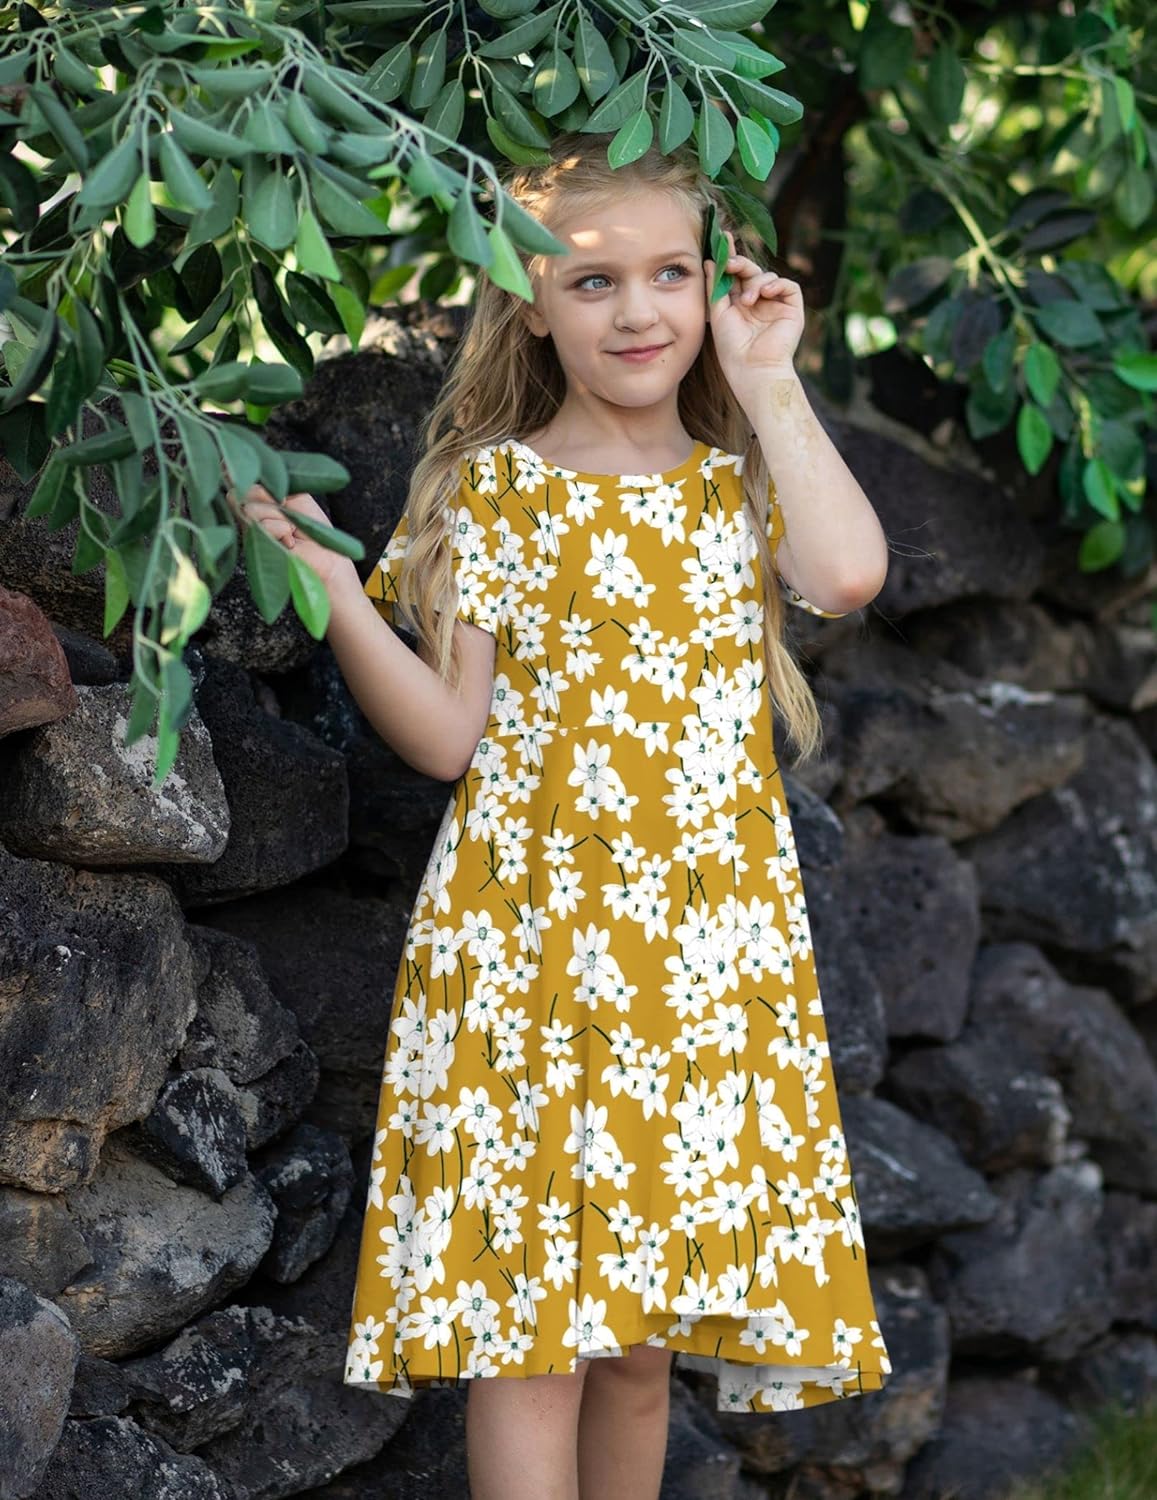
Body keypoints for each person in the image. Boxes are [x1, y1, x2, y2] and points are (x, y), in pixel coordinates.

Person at [233, 129, 892, 1500]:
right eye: (593, 282)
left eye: (669, 274)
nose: (637, 311)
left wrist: (767, 377)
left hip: (705, 962)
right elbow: (444, 737)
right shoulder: (493, 489)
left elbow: (843, 576)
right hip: (528, 948)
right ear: (530, 302)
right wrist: (339, 592)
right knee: (530, 1340)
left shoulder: (742, 477)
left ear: (714, 282)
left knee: (640, 1347)